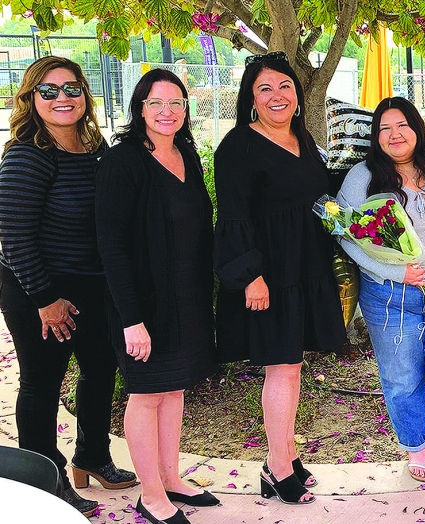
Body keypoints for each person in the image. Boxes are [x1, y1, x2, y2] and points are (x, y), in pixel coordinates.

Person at [0, 56, 135, 517]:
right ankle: (43, 479)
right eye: (49, 90)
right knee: (42, 383)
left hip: (91, 283)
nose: (62, 98)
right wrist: (45, 300)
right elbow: (13, 236)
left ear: (85, 95)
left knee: (100, 369)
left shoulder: (94, 146)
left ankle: (92, 456)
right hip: (37, 287)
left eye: (71, 88)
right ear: (31, 98)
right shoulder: (27, 154)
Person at [214, 52, 347, 504]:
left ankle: (286, 454)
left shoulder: (304, 138)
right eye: (265, 88)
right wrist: (252, 276)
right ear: (251, 98)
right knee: (283, 368)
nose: (277, 95)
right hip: (269, 275)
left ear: (297, 93)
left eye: (284, 86)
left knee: (292, 365)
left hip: (305, 267)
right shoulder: (237, 145)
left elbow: (317, 200)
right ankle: (276, 467)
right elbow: (233, 217)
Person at [96, 69, 218, 524]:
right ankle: (151, 495)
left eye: (177, 103)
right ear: (140, 109)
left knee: (175, 390)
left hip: (186, 298)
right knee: (147, 394)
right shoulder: (123, 161)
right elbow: (110, 244)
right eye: (156, 103)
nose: (168, 112)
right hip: (142, 305)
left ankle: (170, 476)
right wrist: (131, 318)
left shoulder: (185, 152)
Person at [337, 97, 425, 483]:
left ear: (416, 128)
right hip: (389, 296)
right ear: (376, 136)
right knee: (402, 376)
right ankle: (416, 446)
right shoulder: (362, 178)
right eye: (384, 128)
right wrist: (393, 272)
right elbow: (346, 236)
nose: (394, 135)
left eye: (401, 125)